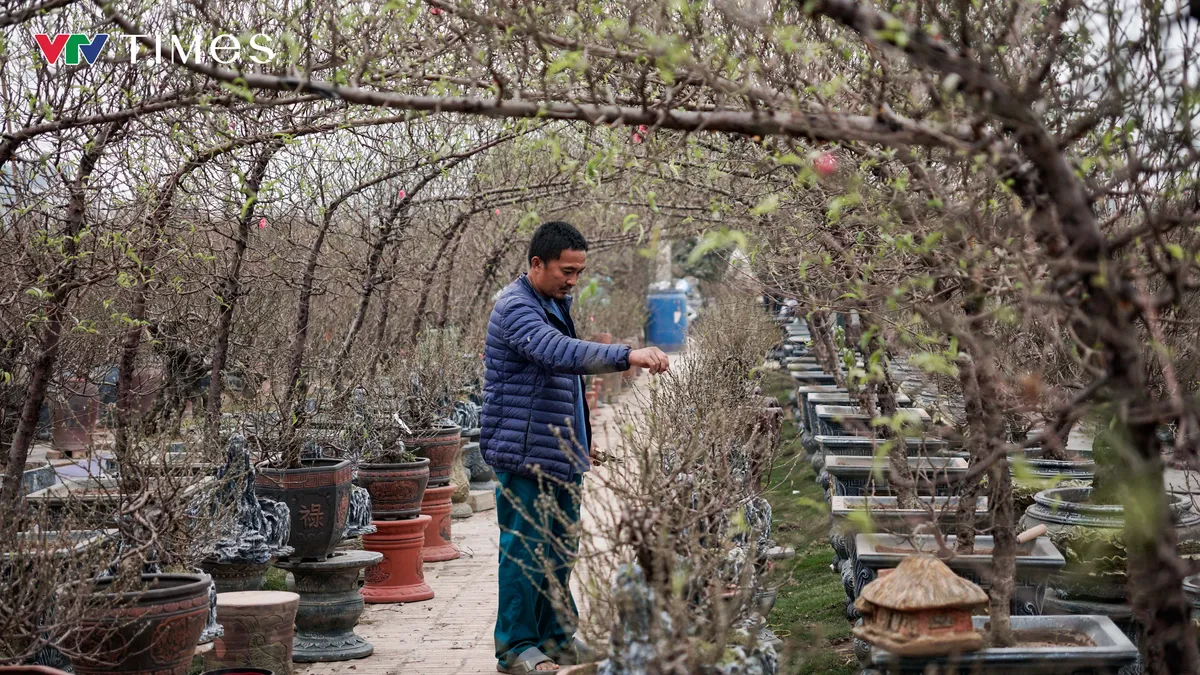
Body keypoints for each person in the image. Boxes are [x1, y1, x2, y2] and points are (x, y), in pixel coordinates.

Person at [481, 221, 670, 674]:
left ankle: (558, 639)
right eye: (566, 270)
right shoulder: (515, 308)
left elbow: (559, 386)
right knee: (524, 551)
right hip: (523, 454)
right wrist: (627, 355)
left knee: (560, 550)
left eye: (579, 272)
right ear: (536, 264)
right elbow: (558, 353)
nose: (573, 280)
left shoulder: (552, 302)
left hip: (558, 455)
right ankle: (516, 647)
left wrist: (581, 446)